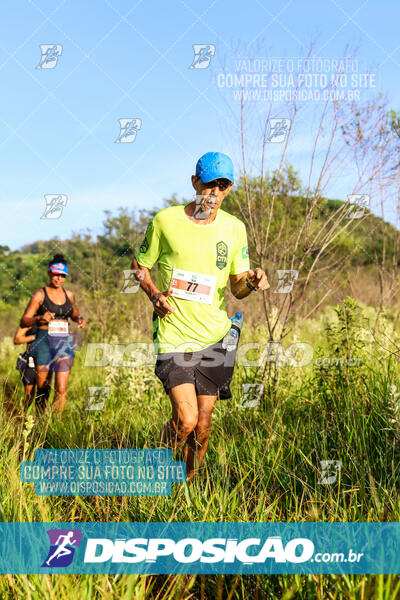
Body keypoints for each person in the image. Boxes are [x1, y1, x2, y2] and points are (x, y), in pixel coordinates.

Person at [131, 151, 270, 480]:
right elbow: (140, 265)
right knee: (187, 421)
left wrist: (251, 280)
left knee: (203, 427)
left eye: (223, 187)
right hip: (174, 335)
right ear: (195, 182)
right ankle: (152, 468)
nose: (214, 194)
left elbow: (237, 288)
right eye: (209, 185)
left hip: (215, 338)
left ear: (229, 189)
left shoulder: (235, 229)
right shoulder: (166, 221)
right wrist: (153, 294)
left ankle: (185, 487)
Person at [20, 254, 86, 413]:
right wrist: (40, 317)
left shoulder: (69, 295)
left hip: (63, 342)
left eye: (62, 275)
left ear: (66, 277)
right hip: (43, 341)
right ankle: (38, 423)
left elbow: (74, 312)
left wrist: (79, 319)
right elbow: (24, 320)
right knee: (43, 388)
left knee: (61, 389)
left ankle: (54, 427)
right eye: (56, 274)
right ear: (49, 273)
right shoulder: (40, 295)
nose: (59, 278)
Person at [14, 323, 38, 406]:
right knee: (29, 394)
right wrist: (35, 337)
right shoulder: (30, 319)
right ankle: (25, 416)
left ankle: (41, 418)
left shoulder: (53, 318)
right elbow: (17, 339)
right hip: (29, 361)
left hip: (45, 360)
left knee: (44, 391)